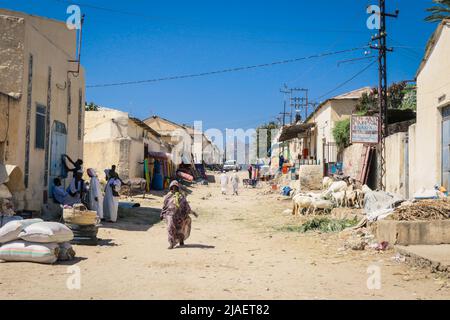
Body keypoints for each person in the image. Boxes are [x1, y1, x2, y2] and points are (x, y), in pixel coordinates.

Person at [161, 181, 198, 249]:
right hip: (170, 215)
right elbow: (165, 205)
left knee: (180, 228)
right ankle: (171, 243)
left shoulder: (181, 196)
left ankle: (181, 240)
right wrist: (162, 213)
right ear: (170, 188)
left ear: (178, 188)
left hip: (179, 215)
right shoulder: (168, 196)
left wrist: (192, 212)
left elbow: (186, 206)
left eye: (175, 187)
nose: (174, 189)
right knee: (170, 227)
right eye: (172, 187)